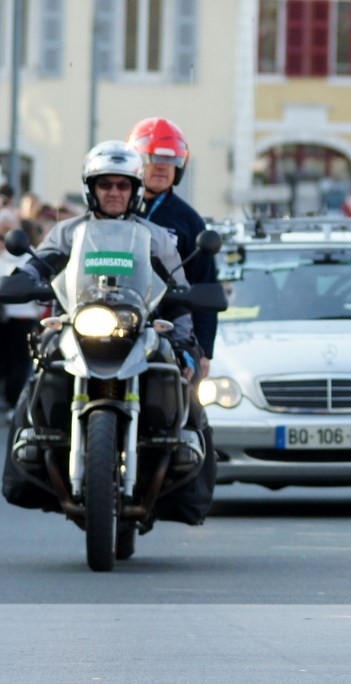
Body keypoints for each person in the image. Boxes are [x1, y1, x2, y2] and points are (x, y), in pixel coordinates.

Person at [7, 141, 211, 523]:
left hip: (139, 328)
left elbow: (179, 294)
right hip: (79, 323)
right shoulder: (67, 233)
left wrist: (187, 344)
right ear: (91, 189)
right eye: (106, 185)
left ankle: (189, 480)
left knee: (186, 388)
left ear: (135, 190)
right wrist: (22, 279)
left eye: (122, 185)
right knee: (38, 375)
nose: (114, 193)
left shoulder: (156, 238)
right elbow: (40, 265)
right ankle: (27, 458)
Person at [127, 117, 218, 380]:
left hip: (169, 326)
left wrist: (203, 350)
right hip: (113, 316)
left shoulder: (189, 221)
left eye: (170, 161)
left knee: (189, 404)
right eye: (153, 158)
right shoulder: (114, 207)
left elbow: (205, 284)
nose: (161, 168)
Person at [0, 208, 44, 420]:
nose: (3, 239)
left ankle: (14, 405)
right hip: (4, 320)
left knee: (20, 366)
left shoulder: (27, 255)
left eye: (6, 233)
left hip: (23, 320)